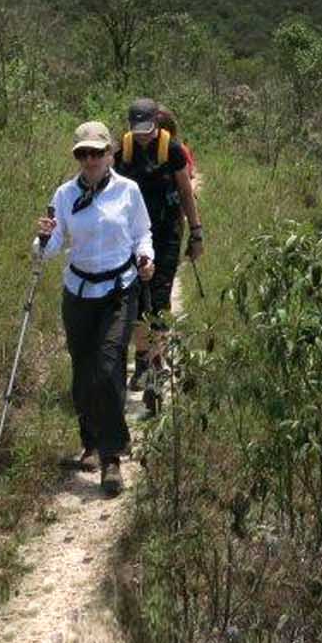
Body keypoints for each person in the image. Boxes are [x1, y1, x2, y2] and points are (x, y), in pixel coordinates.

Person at [35, 121, 154, 497]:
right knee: (83, 375)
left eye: (96, 153)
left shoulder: (128, 191)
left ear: (110, 154)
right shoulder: (65, 195)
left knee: (107, 368)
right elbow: (49, 249)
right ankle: (90, 442)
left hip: (119, 289)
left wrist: (145, 256)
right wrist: (41, 238)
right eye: (82, 154)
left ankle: (111, 457)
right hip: (78, 291)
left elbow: (142, 232)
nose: (89, 160)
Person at [112, 98, 203, 415]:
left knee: (160, 301)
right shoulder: (121, 153)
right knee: (136, 300)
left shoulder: (174, 151)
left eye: (147, 128)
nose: (142, 135)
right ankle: (144, 359)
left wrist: (196, 231)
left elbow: (186, 193)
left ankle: (152, 368)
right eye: (137, 129)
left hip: (165, 236)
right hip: (130, 237)